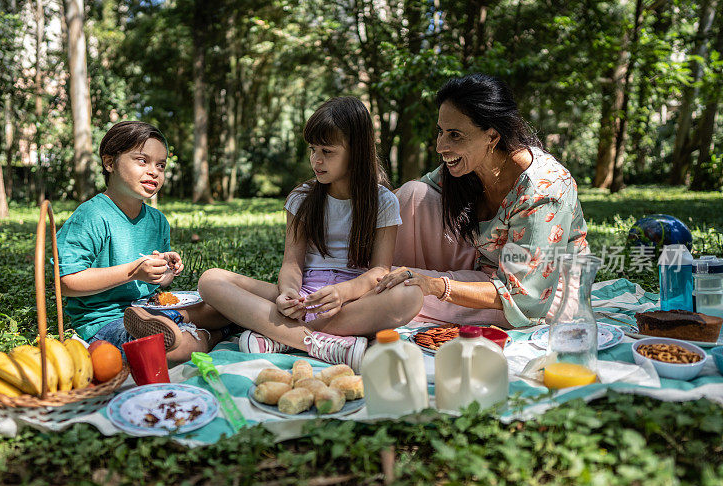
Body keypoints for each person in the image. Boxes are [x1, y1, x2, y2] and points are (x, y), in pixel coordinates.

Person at [198, 97, 422, 371]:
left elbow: (379, 270)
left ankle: (280, 335)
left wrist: (342, 292)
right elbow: (292, 262)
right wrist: (288, 294)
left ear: (357, 151)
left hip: (353, 301)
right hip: (305, 298)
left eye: (327, 151)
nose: (316, 160)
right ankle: (320, 343)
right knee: (211, 280)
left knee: (411, 295)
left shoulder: (383, 201)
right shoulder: (302, 198)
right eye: (313, 149)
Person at [377, 74, 589, 328]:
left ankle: (385, 296)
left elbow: (527, 299)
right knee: (412, 194)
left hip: (537, 297)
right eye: (441, 132)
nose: (441, 146)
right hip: (484, 269)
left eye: (455, 135)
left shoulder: (545, 190)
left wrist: (435, 285)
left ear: (492, 137)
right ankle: (376, 277)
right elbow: (406, 198)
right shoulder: (469, 168)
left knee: (401, 296)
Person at [56, 121, 229, 364]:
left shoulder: (158, 221)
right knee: (167, 349)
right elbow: (65, 282)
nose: (154, 171)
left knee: (226, 306)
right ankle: (211, 336)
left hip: (154, 310)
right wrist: (133, 272)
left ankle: (191, 330)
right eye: (142, 160)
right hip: (107, 322)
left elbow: (159, 283)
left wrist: (164, 271)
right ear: (109, 163)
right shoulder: (91, 216)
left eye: (161, 165)